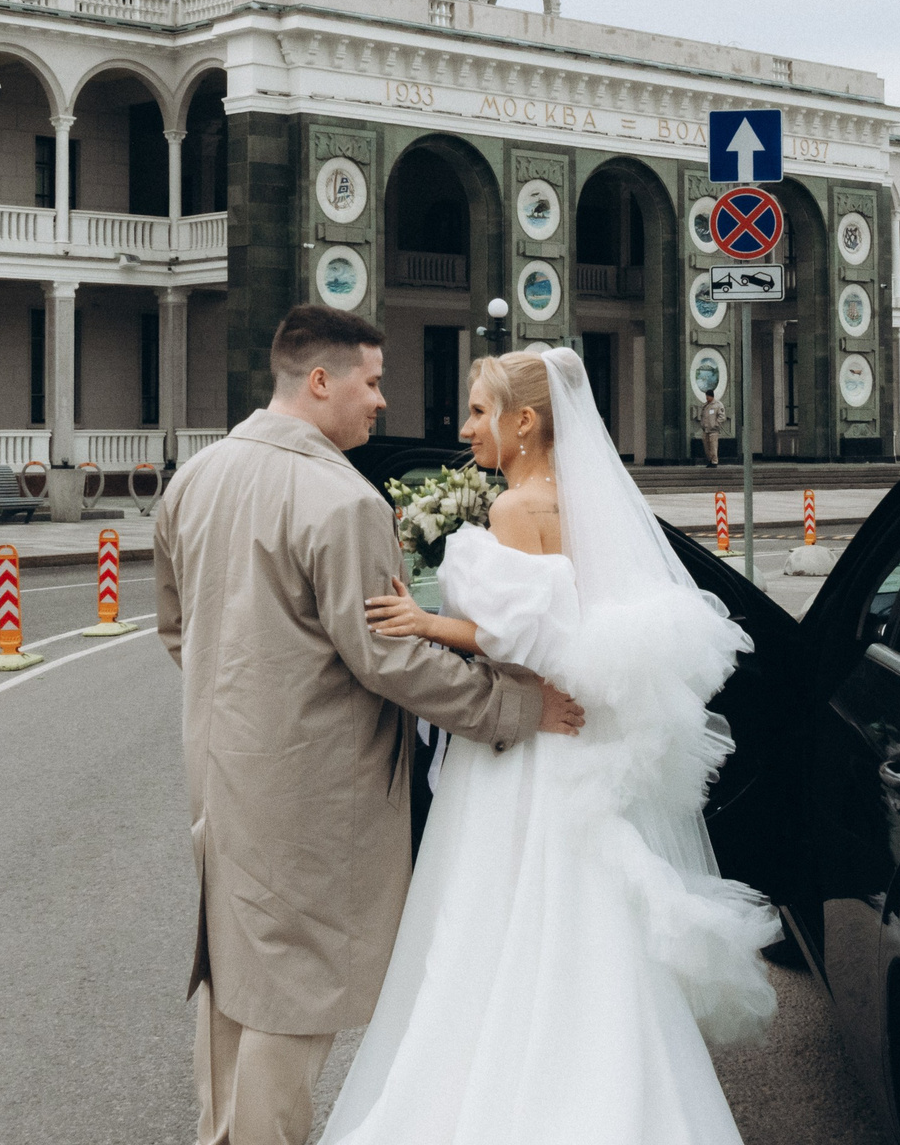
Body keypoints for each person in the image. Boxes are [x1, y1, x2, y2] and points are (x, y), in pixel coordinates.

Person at [156, 307, 585, 1145]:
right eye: (373, 382)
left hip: (219, 775)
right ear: (321, 381)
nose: (382, 402)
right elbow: (386, 658)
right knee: (293, 994)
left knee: (231, 977)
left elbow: (177, 629)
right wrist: (521, 708)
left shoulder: (193, 480)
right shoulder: (342, 499)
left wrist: (250, 701)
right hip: (312, 790)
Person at [332, 348, 778, 1144]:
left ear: (524, 422)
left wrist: (430, 621)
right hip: (581, 747)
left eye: (478, 411)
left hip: (525, 748)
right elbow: (578, 626)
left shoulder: (512, 511)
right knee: (588, 919)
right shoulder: (585, 503)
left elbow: (529, 637)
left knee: (489, 916)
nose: (465, 426)